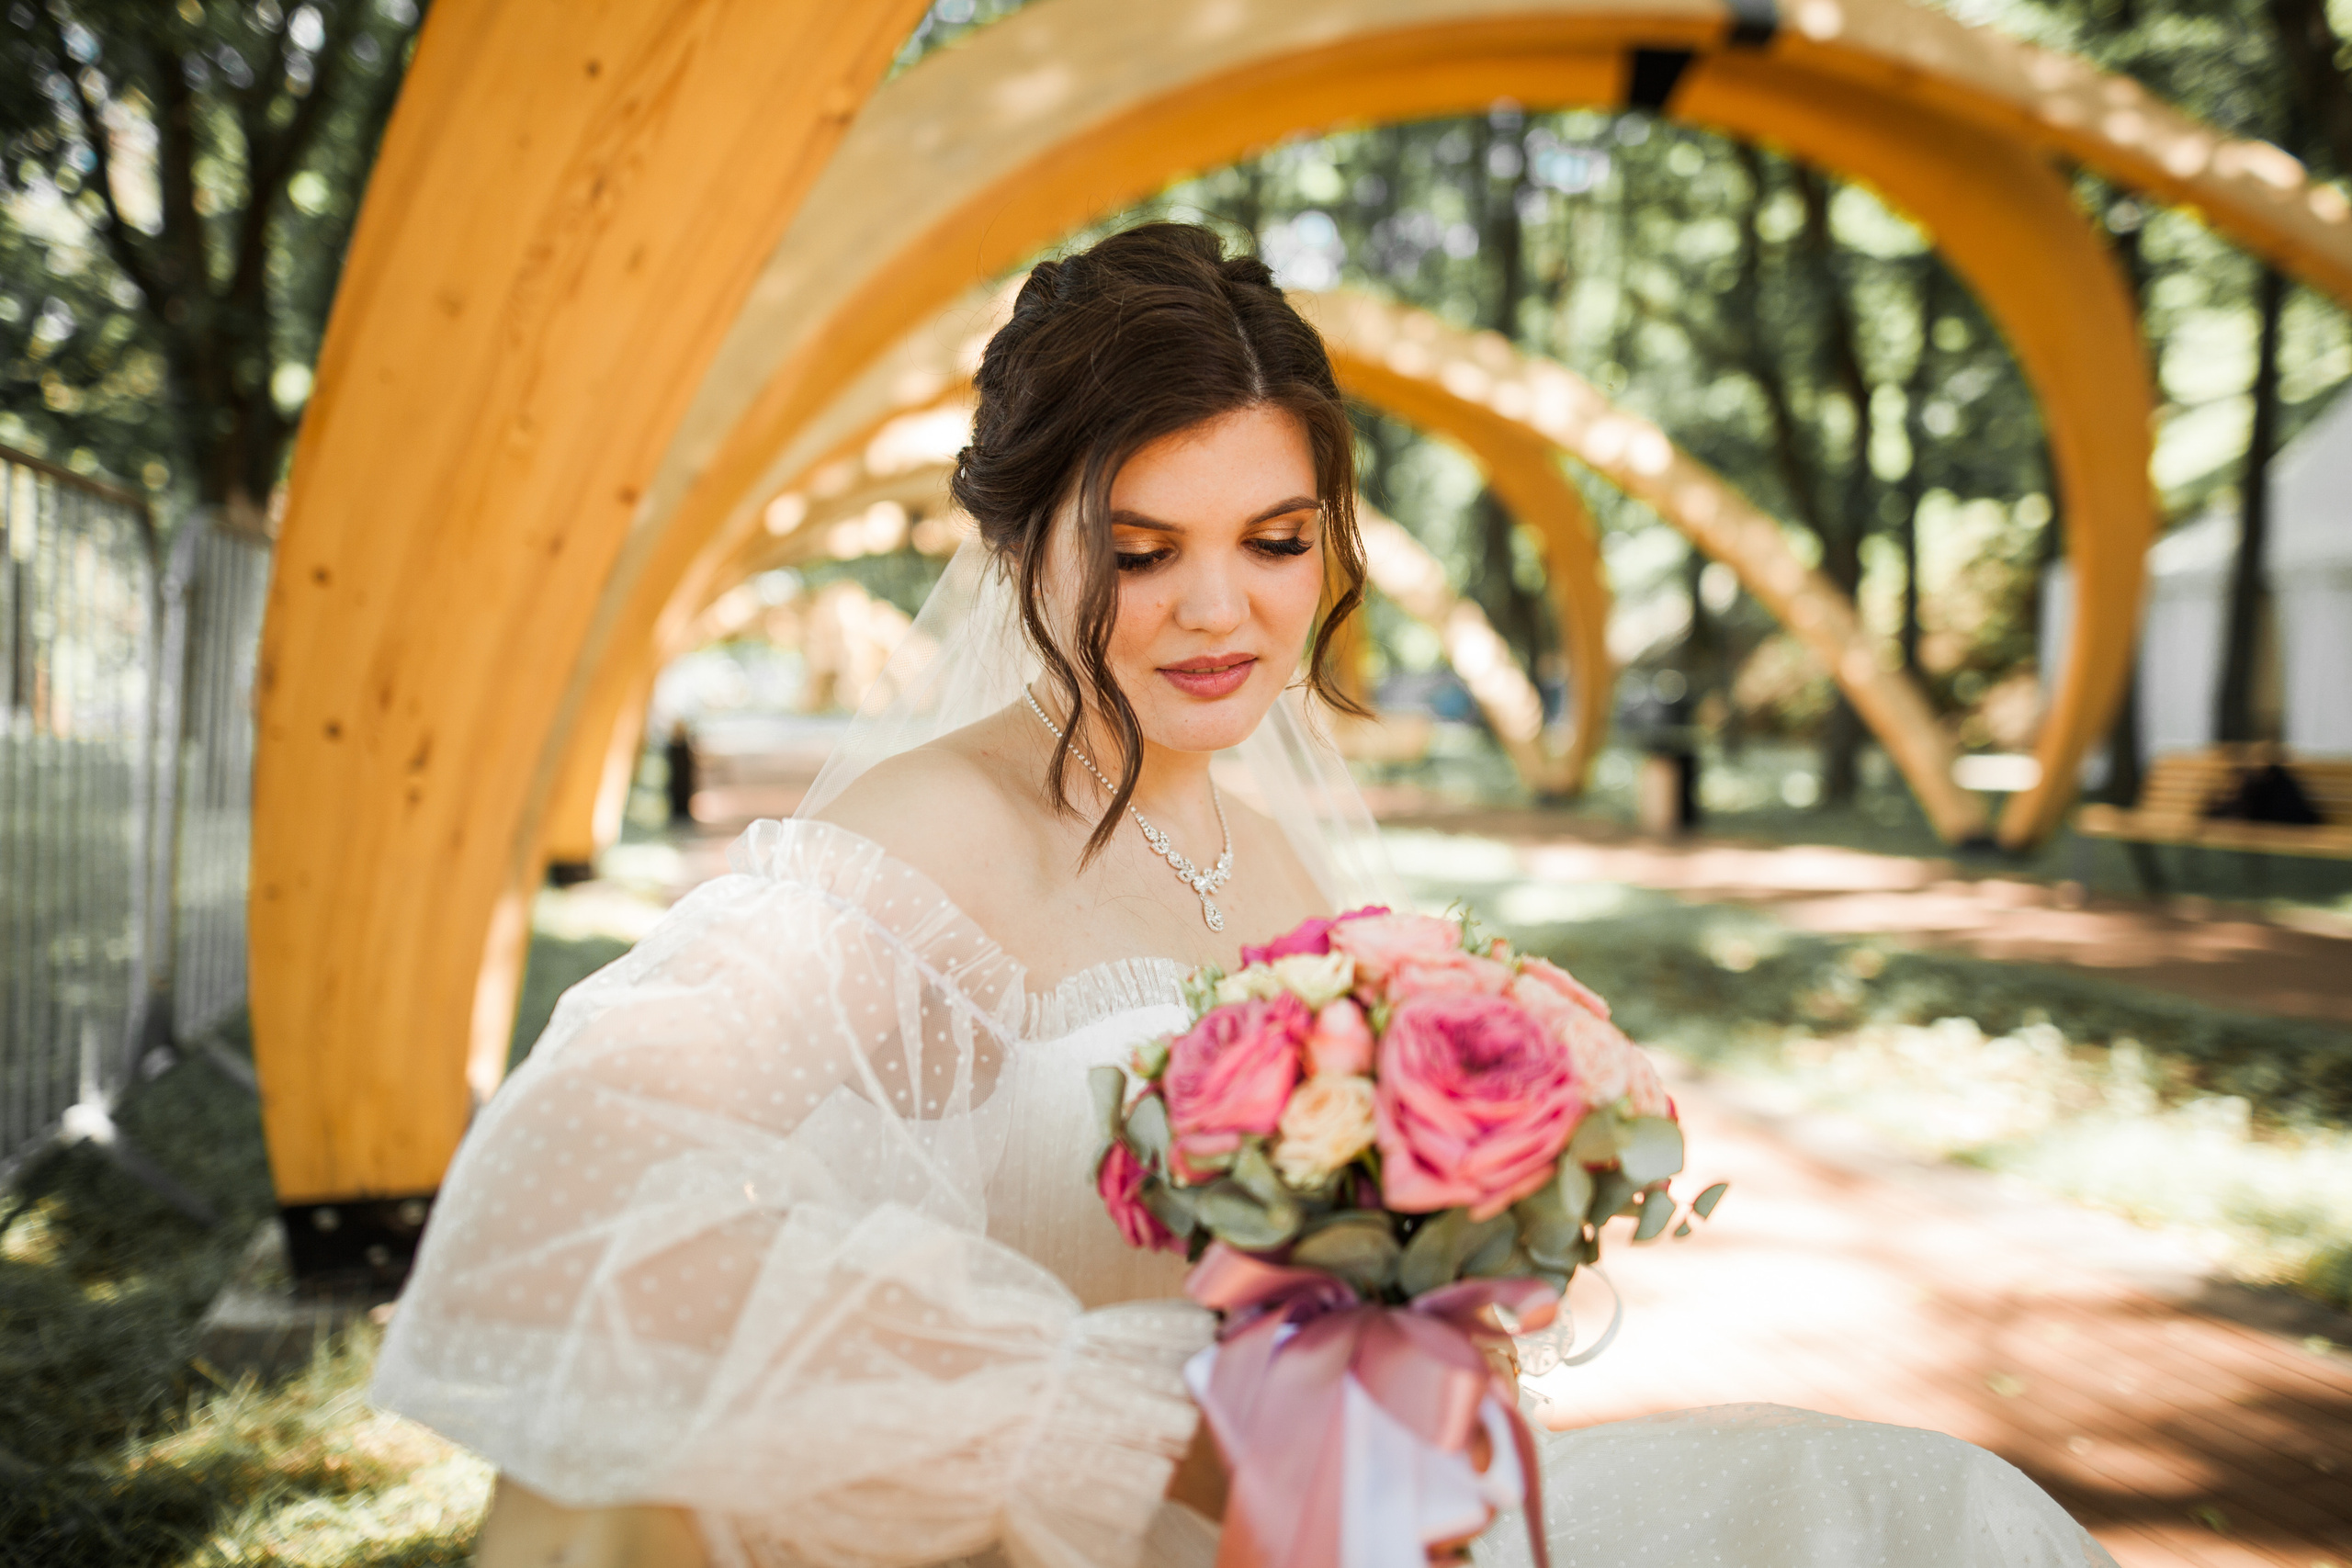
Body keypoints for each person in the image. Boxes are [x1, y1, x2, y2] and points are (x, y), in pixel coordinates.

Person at [372, 225, 2114, 1568]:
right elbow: (555, 1222)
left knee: (1916, 1506)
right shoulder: (931, 836)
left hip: (1355, 1524)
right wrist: (1142, 1434)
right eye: (1144, 552)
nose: (1221, 612)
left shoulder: (1277, 852)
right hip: (1120, 1534)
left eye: (1276, 541)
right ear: (1017, 545)